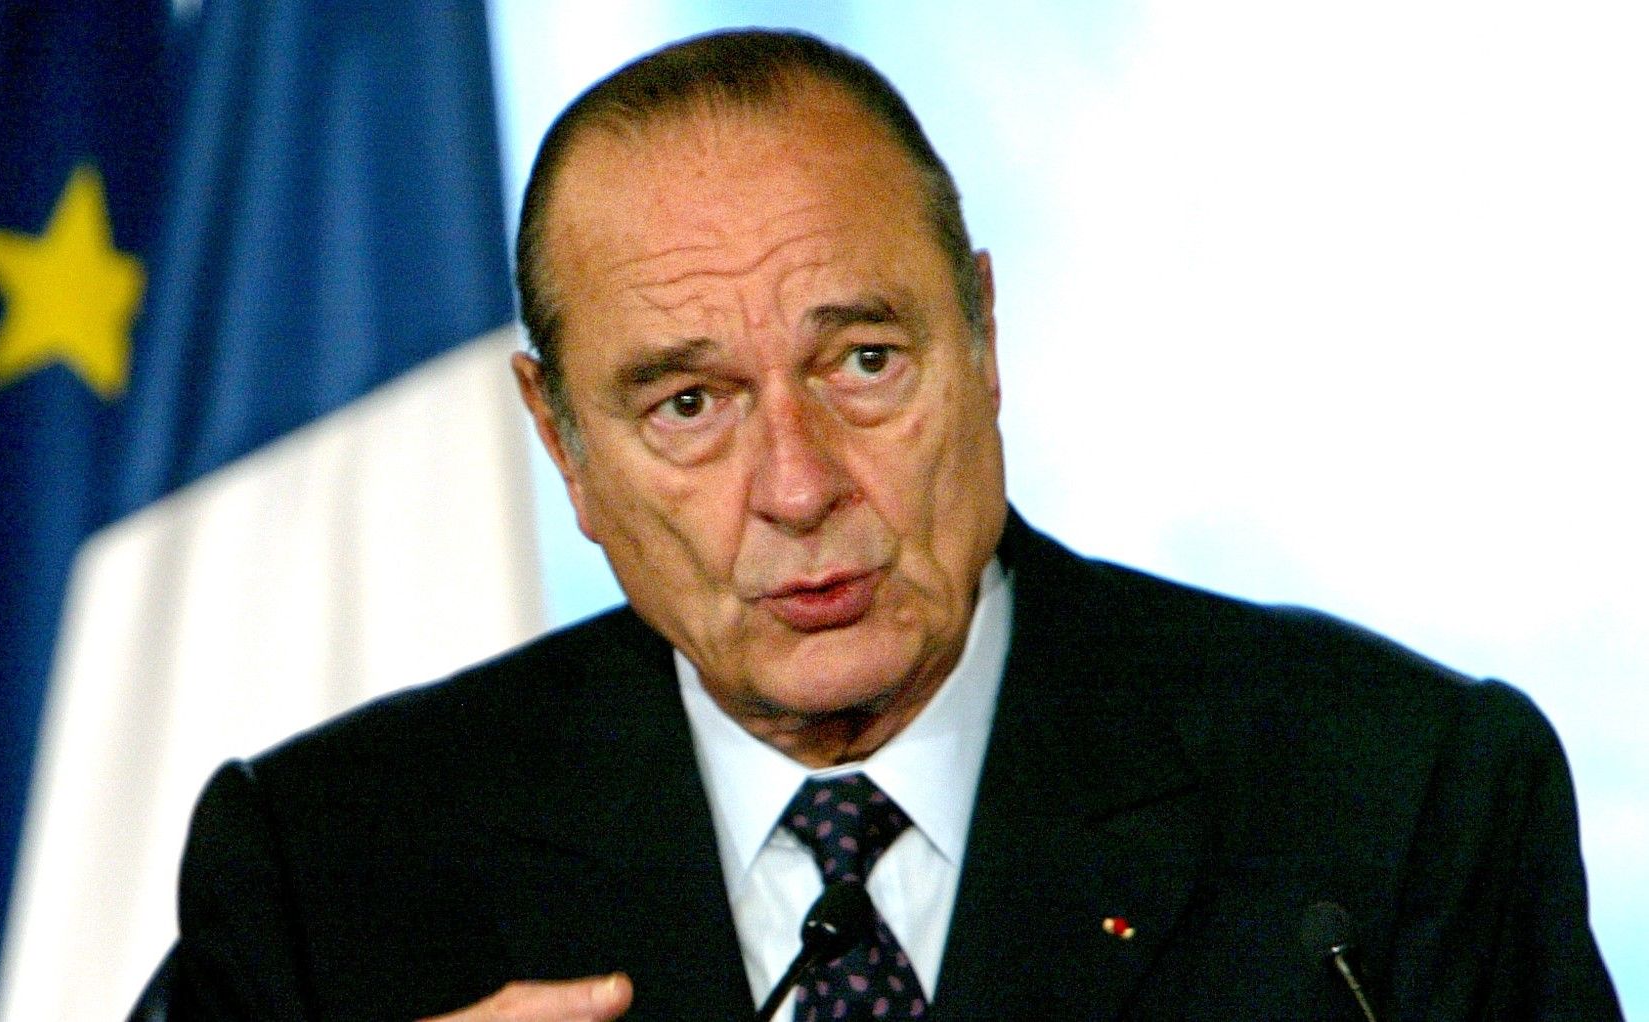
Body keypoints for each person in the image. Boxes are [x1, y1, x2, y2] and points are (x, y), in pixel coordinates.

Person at [160, 29, 1620, 1021]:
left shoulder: (1397, 801)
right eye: (688, 404)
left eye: (863, 362)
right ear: (564, 445)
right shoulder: (325, 878)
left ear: (980, 334)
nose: (798, 487)